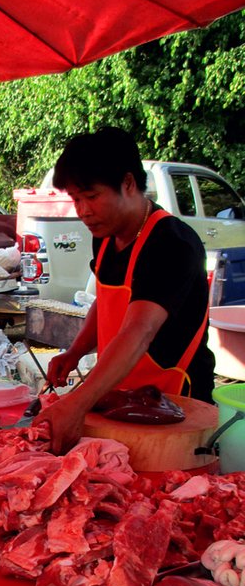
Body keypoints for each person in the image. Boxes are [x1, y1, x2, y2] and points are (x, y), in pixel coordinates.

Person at [32, 126, 215, 455]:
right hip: (120, 398)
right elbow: (106, 302)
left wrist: (78, 402)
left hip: (176, 410)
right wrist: (75, 352)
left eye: (91, 196)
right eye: (76, 199)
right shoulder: (104, 236)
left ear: (128, 184)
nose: (83, 210)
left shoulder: (171, 243)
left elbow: (139, 330)